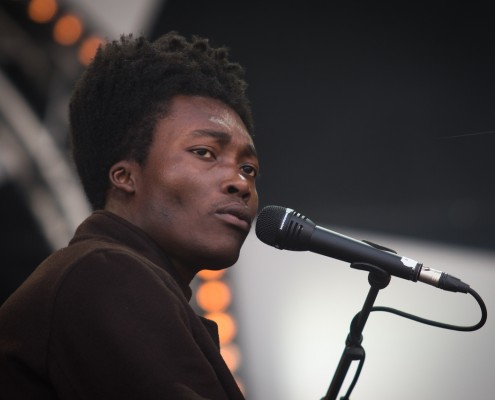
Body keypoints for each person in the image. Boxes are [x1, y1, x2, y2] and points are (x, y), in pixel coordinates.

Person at [0, 31, 259, 399]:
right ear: (125, 176)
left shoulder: (119, 278)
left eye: (249, 169)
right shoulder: (103, 273)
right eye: (204, 152)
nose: (239, 182)